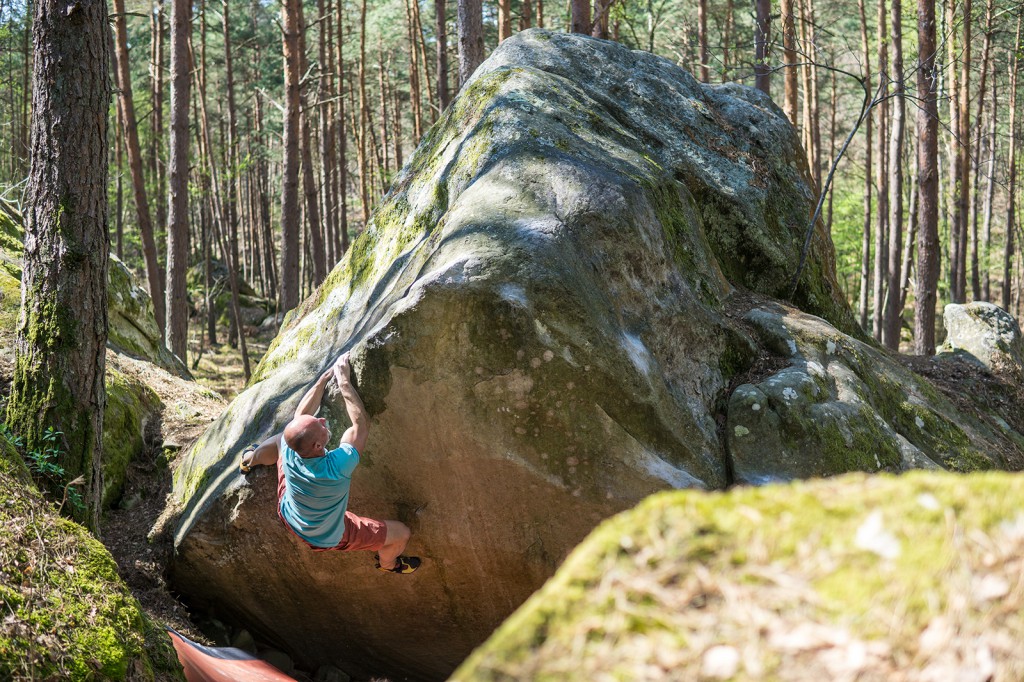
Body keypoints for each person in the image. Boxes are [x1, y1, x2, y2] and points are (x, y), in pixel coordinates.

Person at [239, 352, 420, 574]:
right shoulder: (337, 466)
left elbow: (301, 415)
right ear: (317, 447)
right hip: (327, 537)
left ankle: (248, 459)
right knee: (401, 533)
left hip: (289, 515)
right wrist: (344, 382)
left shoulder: (290, 450)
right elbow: (360, 425)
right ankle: (389, 565)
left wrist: (323, 380)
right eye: (320, 425)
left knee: (279, 440)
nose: (323, 420)